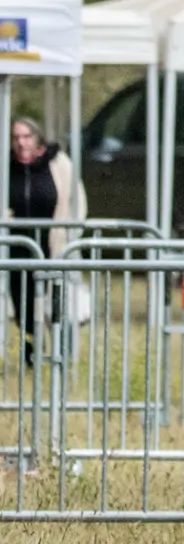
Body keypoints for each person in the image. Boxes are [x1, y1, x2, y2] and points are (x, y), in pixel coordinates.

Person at [6, 115, 82, 367]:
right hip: (18, 246)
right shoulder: (7, 166)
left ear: (36, 137)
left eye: (26, 136)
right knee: (23, 303)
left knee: (56, 301)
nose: (21, 142)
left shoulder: (59, 163)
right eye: (16, 137)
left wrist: (70, 234)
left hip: (54, 243)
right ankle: (32, 354)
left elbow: (75, 200)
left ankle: (63, 355)